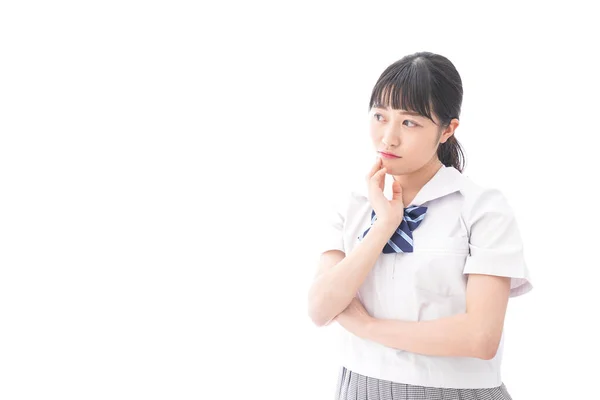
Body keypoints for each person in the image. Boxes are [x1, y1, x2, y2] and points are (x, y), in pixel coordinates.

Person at [307, 51, 533, 400]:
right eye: (380, 117)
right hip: (359, 388)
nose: (388, 138)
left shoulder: (482, 208)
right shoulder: (352, 204)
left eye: (409, 123)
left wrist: (367, 326)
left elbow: (480, 337)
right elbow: (321, 309)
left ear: (447, 130)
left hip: (456, 393)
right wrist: (384, 225)